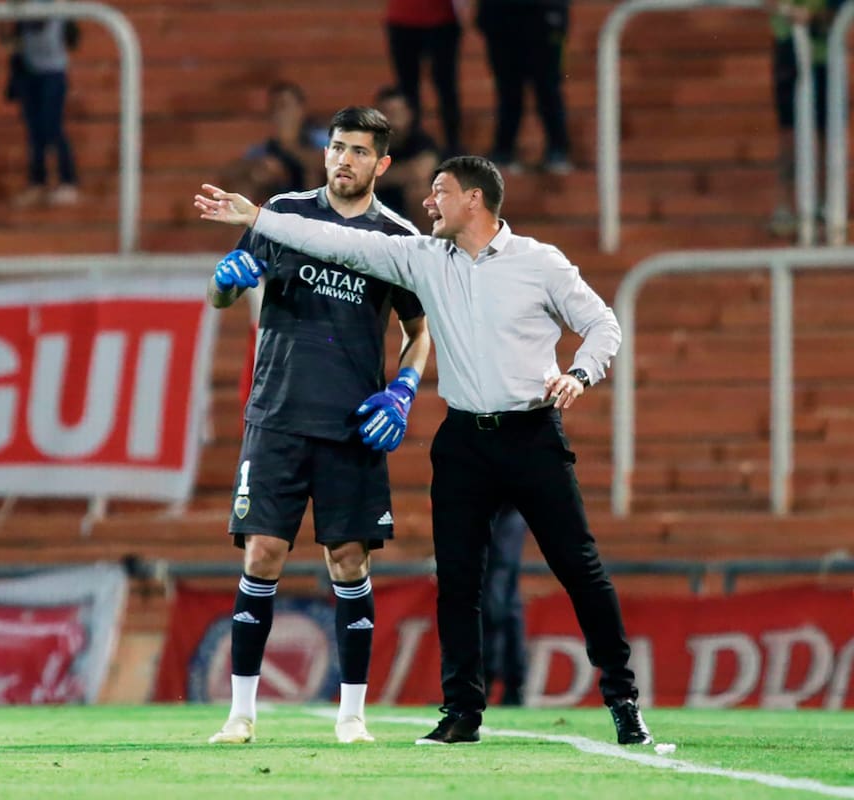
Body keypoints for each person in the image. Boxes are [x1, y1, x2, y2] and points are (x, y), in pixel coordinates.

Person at [194, 155, 654, 747]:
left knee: (580, 570)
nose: (428, 204)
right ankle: (462, 712)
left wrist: (580, 374)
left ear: (475, 201)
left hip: (533, 435)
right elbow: (329, 238)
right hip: (463, 440)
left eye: (440, 193)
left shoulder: (539, 263)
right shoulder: (423, 259)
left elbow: (603, 324)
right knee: (459, 583)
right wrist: (257, 216)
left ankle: (623, 701)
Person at [205, 106, 431, 746]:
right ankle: (240, 714)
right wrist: (225, 283)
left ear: (381, 164)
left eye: (359, 152)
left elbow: (420, 332)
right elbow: (226, 292)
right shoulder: (284, 213)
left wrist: (404, 389)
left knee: (349, 559)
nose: (344, 160)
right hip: (276, 414)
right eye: (337, 148)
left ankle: (352, 716)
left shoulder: (397, 239)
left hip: (352, 425)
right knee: (263, 553)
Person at [766, 0, 842, 237]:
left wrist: (814, 18)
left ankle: (825, 203)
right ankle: (786, 205)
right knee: (788, 133)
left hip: (827, 50)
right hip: (790, 46)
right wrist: (790, 12)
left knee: (827, 132)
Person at [0, 4, 81, 208]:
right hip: (29, 72)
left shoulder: (57, 11)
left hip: (53, 73)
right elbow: (10, 42)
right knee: (34, 131)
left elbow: (71, 38)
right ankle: (37, 182)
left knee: (52, 127)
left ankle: (68, 181)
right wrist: (2, 24)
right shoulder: (21, 12)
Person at [477, 0, 572, 174]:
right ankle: (504, 149)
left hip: (545, 14)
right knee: (508, 88)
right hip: (500, 15)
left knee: (548, 87)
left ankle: (558, 149)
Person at [219, 82, 329, 204]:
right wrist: (260, 167)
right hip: (282, 206)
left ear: (300, 109)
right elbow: (228, 174)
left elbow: (328, 163)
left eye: (283, 106)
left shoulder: (319, 137)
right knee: (251, 178)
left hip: (320, 207)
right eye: (274, 107)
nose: (279, 113)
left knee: (313, 171)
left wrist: (289, 146)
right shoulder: (266, 148)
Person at [383, 0, 465, 156]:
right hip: (403, 19)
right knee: (408, 88)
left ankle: (452, 144)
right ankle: (410, 144)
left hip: (441, 20)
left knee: (445, 85)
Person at [373, 86, 441, 228]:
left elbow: (420, 172)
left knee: (420, 192)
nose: (391, 119)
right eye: (385, 113)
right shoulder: (368, 143)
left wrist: (379, 176)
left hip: (405, 204)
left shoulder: (420, 141)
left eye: (396, 113)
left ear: (408, 114)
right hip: (375, 203)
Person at [482, 504, 528, 707]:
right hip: (502, 505)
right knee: (504, 595)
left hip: (502, 506)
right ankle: (511, 682)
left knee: (496, 595)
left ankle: (487, 677)